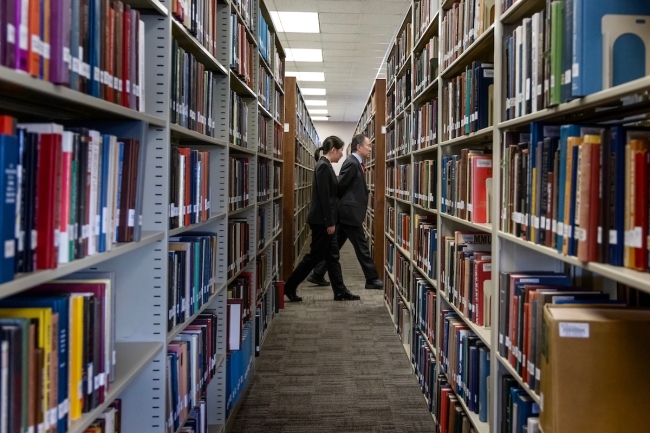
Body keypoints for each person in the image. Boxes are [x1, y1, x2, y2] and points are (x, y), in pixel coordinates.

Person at [283, 136, 361, 302]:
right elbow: (324, 197)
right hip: (321, 221)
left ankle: (340, 291)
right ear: (333, 150)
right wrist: (329, 222)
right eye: (340, 151)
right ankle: (289, 286)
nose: (341, 155)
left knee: (333, 257)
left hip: (324, 219)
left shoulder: (326, 166)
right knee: (315, 256)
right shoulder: (323, 166)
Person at [307, 134, 384, 290]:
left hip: (347, 213)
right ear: (359, 147)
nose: (370, 148)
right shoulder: (351, 163)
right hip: (349, 213)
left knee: (333, 246)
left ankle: (317, 273)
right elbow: (339, 186)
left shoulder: (356, 163)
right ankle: (372, 278)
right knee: (362, 246)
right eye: (368, 145)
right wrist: (345, 206)